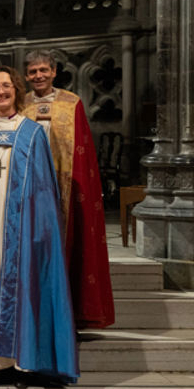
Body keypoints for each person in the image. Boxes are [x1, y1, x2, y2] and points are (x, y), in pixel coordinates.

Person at [0, 66, 78, 384]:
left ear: (16, 90)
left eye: (6, 86)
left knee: (22, 280)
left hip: (23, 227)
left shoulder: (33, 134)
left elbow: (44, 191)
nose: (1, 91)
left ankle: (24, 360)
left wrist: (40, 232)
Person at [23, 50, 114, 329]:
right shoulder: (20, 103)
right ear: (26, 76)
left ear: (54, 72)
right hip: (28, 188)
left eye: (44, 70)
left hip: (64, 187)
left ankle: (68, 313)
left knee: (68, 245)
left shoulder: (71, 103)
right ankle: (33, 311)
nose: (39, 75)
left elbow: (82, 152)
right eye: (33, 71)